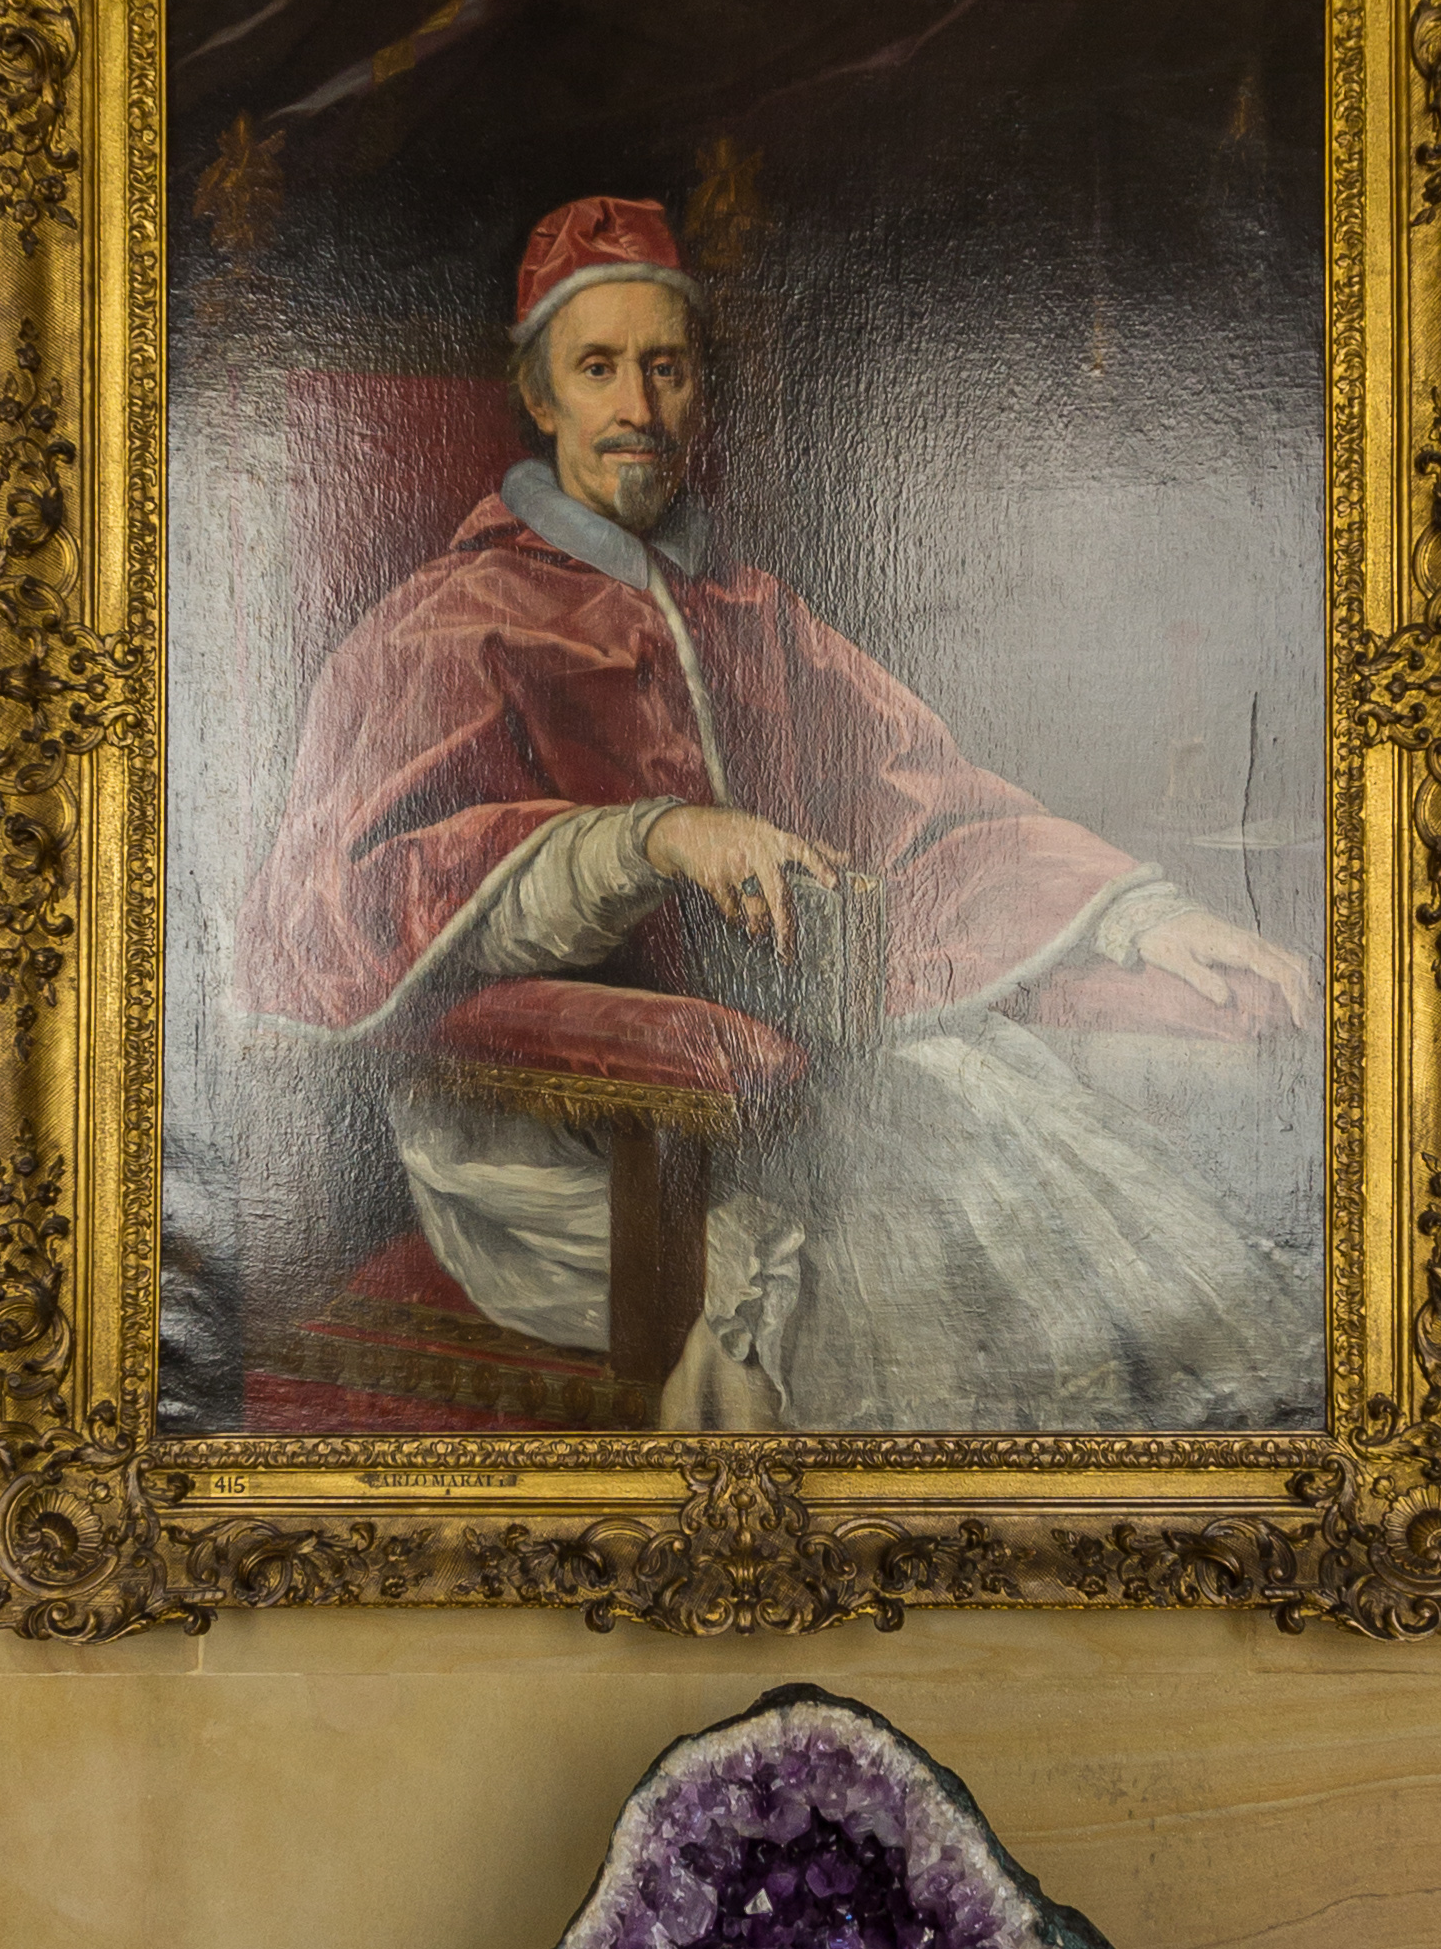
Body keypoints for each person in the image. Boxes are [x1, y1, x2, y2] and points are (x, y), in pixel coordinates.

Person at [237, 196, 1320, 1431]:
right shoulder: (445, 621)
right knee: (875, 1224)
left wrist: (1147, 918)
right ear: (539, 399)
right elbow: (350, 899)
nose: (638, 409)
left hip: (792, 1082)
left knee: (975, 1108)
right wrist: (652, 837)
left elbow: (930, 807)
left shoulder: (751, 612)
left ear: (699, 393)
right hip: (563, 1135)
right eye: (598, 370)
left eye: (666, 368)